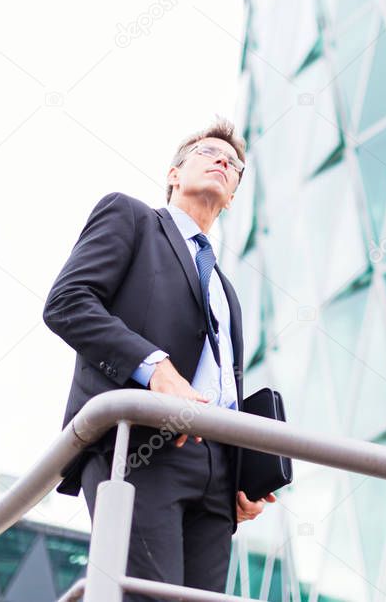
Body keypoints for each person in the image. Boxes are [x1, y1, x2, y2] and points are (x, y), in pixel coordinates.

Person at [43, 117, 274, 597]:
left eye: (233, 165)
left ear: (232, 196)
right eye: (209, 153)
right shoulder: (131, 218)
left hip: (216, 473)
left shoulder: (226, 290)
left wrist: (241, 473)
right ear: (174, 173)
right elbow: (67, 303)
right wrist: (156, 369)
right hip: (141, 446)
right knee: (147, 596)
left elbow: (224, 386)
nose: (223, 163)